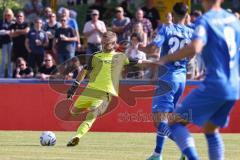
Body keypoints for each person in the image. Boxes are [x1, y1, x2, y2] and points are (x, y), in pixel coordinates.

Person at [156, 0, 240, 159]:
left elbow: (195, 47)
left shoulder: (205, 20)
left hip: (215, 84)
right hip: (234, 86)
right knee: (210, 129)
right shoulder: (234, 20)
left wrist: (165, 58)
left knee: (173, 122)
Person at [65, 31, 153, 146]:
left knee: (92, 115)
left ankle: (77, 136)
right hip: (89, 91)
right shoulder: (95, 56)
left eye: (108, 44)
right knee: (73, 112)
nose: (105, 45)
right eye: (103, 43)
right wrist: (74, 87)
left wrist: (158, 62)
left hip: (105, 94)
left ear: (114, 43)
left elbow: (141, 62)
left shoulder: (120, 57)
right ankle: (89, 113)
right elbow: (84, 70)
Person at [139, 3, 193, 160]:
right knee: (166, 118)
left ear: (173, 14)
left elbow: (152, 49)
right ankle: (157, 154)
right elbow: (194, 53)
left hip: (168, 79)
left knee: (158, 120)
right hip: (181, 78)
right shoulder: (191, 32)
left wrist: (140, 48)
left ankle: (185, 147)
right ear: (186, 14)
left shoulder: (166, 29)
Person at [0, 8, 15, 78]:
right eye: (6, 15)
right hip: (4, 43)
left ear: (11, 15)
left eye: (9, 15)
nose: (7, 16)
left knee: (10, 60)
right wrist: (7, 32)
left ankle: (10, 75)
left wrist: (9, 32)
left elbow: (15, 31)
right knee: (3, 60)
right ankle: (1, 75)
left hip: (11, 42)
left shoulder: (14, 22)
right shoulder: (2, 22)